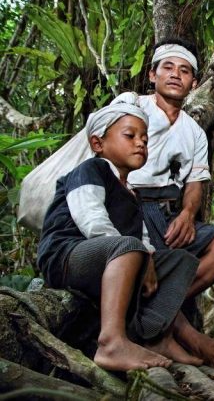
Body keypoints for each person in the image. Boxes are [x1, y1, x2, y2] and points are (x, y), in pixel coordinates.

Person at [37, 98, 203, 371]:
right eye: (130, 135)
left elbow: (143, 237)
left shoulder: (131, 192)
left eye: (145, 139)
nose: (140, 143)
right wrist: (137, 252)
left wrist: (148, 256)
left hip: (111, 258)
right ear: (98, 143)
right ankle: (111, 343)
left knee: (178, 261)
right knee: (129, 246)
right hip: (67, 256)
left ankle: (154, 337)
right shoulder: (90, 169)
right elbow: (91, 219)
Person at [124, 38, 214, 370]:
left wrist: (188, 214)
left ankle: (154, 314)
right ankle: (188, 338)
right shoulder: (132, 105)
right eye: (168, 68)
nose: (176, 75)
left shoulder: (193, 131)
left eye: (184, 71)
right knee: (147, 255)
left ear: (194, 83)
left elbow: (196, 182)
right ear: (152, 75)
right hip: (131, 205)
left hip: (170, 210)